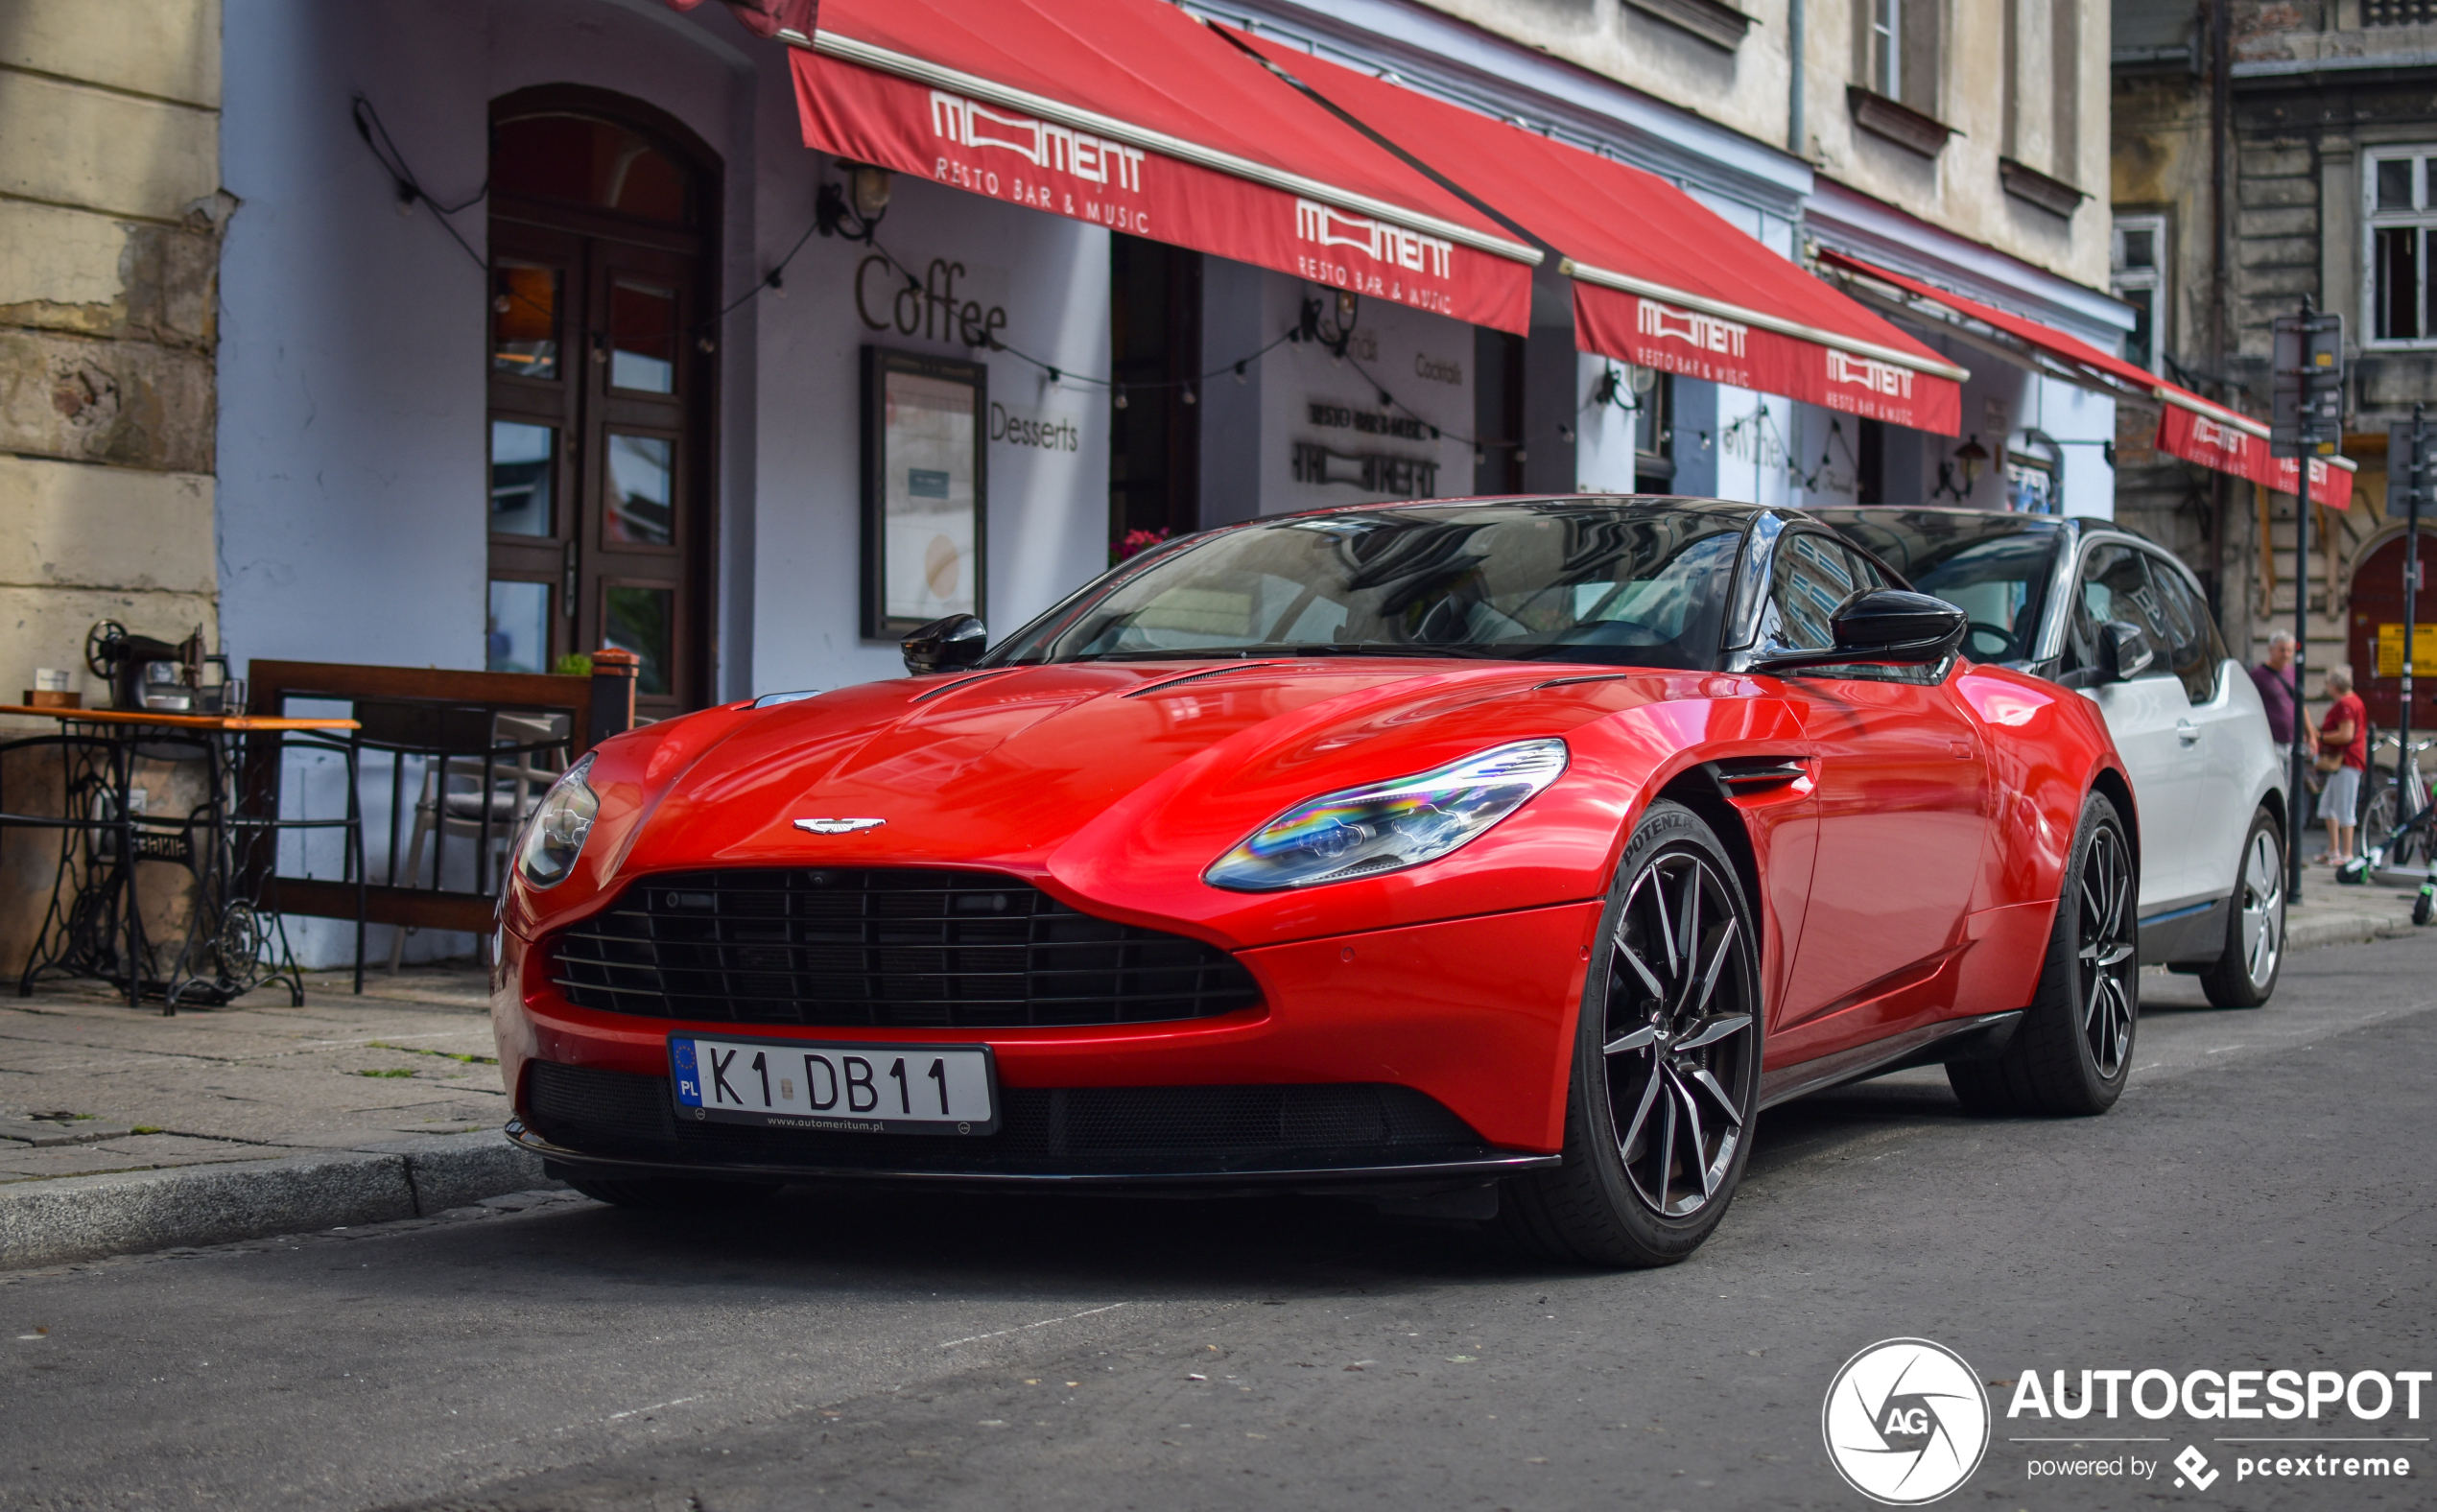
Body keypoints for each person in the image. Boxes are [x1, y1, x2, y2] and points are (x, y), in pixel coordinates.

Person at [2318, 664, 2368, 863]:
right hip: (2347, 761)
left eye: (2328, 683)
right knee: (2327, 805)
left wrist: (2321, 736)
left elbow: (2346, 734)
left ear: (2334, 686)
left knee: (2344, 807)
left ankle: (2346, 853)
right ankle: (2333, 849)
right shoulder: (2354, 701)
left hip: (2347, 760)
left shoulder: (2346, 704)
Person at [2249, 629, 2309, 748]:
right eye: (2282, 650)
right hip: (2271, 741)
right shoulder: (2258, 675)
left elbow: (2301, 704)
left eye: (2289, 651)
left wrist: (2310, 734)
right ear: (2271, 650)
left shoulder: (2294, 672)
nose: (2286, 654)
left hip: (2294, 740)